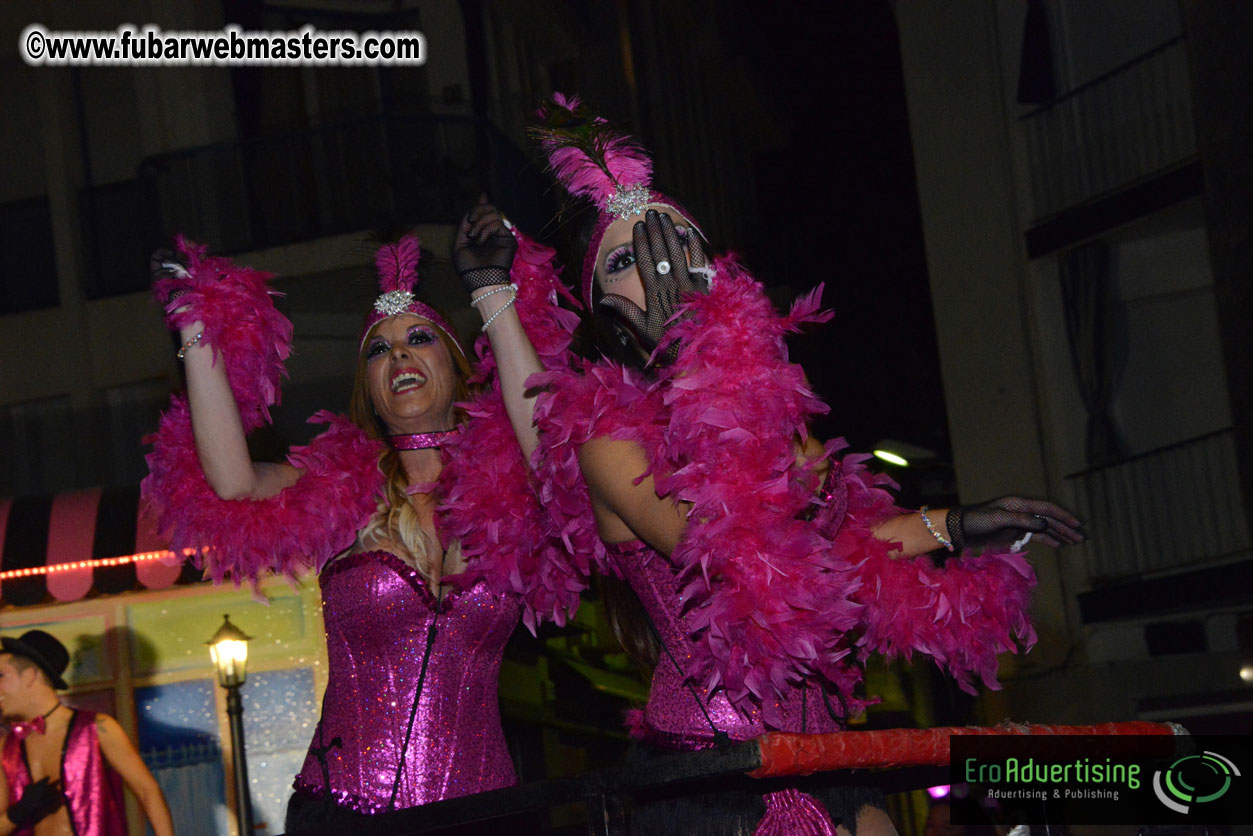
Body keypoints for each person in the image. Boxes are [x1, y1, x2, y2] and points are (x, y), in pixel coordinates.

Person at [526, 94, 1085, 836]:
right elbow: (721, 546)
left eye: (679, 248)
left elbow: (831, 559)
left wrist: (951, 524)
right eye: (629, 259)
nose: (664, 271)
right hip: (711, 763)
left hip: (824, 749)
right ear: (604, 308)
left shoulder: (782, 427)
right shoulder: (604, 437)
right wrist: (691, 365)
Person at [141, 204, 581, 830]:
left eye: (420, 339)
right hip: (346, 815)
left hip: (490, 816)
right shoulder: (342, 488)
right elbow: (234, 482)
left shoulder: (513, 488)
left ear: (460, 367)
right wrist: (195, 324)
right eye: (380, 350)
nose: (400, 357)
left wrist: (491, 293)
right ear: (369, 388)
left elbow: (553, 445)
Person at [0, 630, 174, 836]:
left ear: (30, 675)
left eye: (1, 676)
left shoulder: (97, 727)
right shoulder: (5, 747)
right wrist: (18, 814)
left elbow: (148, 791)